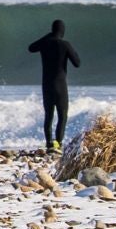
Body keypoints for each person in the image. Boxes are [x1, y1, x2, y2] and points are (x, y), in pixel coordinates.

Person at [27, 19, 81, 153]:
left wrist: (48, 36)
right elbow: (77, 63)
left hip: (46, 85)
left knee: (49, 115)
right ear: (62, 31)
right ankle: (58, 143)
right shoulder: (65, 44)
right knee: (62, 115)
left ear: (52, 30)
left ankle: (49, 143)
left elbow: (31, 47)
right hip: (60, 85)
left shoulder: (45, 44)